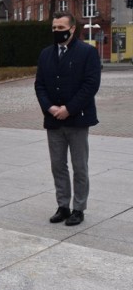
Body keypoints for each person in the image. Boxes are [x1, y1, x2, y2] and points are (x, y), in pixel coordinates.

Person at [35, 13, 101, 226]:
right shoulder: (46, 54)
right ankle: (63, 206)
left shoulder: (88, 52)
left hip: (77, 120)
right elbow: (40, 85)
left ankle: (78, 208)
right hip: (54, 120)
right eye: (54, 27)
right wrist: (50, 107)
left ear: (72, 29)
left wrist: (69, 109)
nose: (57, 31)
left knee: (79, 166)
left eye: (61, 27)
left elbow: (90, 85)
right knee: (58, 166)